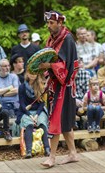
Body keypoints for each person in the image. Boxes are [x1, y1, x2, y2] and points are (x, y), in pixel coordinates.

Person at [39, 10, 79, 168]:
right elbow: (47, 57)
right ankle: (73, 153)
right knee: (64, 121)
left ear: (60, 23)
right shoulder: (51, 40)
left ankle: (52, 157)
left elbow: (66, 66)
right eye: (48, 23)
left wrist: (49, 65)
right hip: (54, 85)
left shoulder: (67, 39)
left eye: (52, 23)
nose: (49, 26)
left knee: (55, 120)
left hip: (65, 86)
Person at [17, 71, 50, 158]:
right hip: (26, 112)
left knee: (42, 124)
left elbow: (42, 103)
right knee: (29, 125)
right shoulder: (22, 87)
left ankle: (47, 148)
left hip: (38, 111)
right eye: (30, 73)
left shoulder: (40, 86)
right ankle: (28, 150)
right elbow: (22, 104)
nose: (32, 75)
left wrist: (36, 115)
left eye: (34, 73)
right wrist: (30, 115)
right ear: (27, 74)